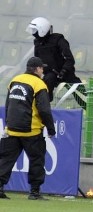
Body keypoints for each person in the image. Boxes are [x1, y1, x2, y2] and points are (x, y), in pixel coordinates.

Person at [0, 57, 55, 200]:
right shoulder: (39, 84)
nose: (43, 70)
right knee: (37, 160)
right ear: (37, 69)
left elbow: (8, 105)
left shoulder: (14, 80)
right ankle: (34, 192)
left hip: (12, 129)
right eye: (41, 68)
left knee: (5, 160)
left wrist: (8, 124)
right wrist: (50, 128)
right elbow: (44, 109)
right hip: (31, 131)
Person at [26, 17, 82, 100]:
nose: (33, 33)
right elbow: (37, 61)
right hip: (50, 74)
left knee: (82, 96)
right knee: (44, 90)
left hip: (66, 73)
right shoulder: (38, 43)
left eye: (35, 30)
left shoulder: (59, 40)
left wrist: (63, 71)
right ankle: (45, 108)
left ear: (42, 30)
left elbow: (70, 59)